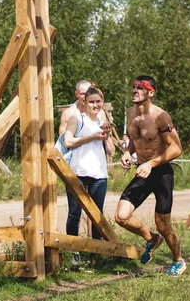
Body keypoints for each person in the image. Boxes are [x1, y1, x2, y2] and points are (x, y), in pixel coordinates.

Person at [115, 75, 186, 277]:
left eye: (140, 87)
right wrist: (128, 152)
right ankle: (151, 239)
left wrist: (151, 162)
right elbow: (134, 140)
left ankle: (178, 260)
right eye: (134, 87)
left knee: (163, 224)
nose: (135, 90)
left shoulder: (160, 116)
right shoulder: (130, 113)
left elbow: (177, 149)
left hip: (161, 172)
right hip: (142, 171)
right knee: (121, 217)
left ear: (151, 93)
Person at [63, 87, 115, 264]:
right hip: (78, 172)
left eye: (98, 102)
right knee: (74, 213)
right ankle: (74, 252)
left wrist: (106, 135)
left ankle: (95, 252)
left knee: (96, 215)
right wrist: (92, 137)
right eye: (91, 101)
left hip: (99, 174)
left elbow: (111, 151)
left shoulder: (102, 120)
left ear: (102, 103)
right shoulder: (77, 118)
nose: (95, 105)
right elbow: (68, 141)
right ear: (85, 102)